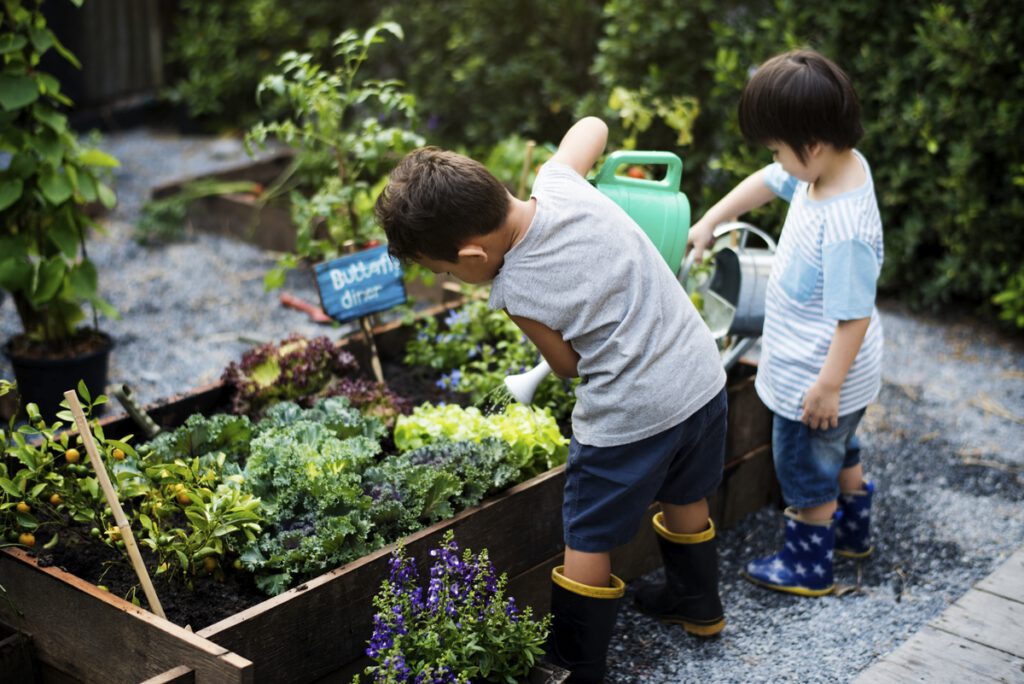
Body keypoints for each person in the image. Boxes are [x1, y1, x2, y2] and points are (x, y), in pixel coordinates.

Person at [376, 116, 729, 681]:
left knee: (587, 534)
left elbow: (566, 366)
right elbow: (592, 126)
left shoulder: (511, 287)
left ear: (471, 256)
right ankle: (699, 606)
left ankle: (576, 662)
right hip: (700, 376)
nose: (454, 276)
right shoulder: (560, 180)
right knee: (686, 490)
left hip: (632, 411)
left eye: (445, 269)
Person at [688, 48, 883, 596]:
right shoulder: (830, 169)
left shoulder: (843, 224)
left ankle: (808, 565)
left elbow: (854, 316)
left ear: (811, 145)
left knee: (803, 468)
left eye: (778, 147)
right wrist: (712, 219)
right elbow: (771, 181)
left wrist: (826, 386)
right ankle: (853, 531)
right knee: (840, 448)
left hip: (818, 378)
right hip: (841, 377)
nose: (775, 158)